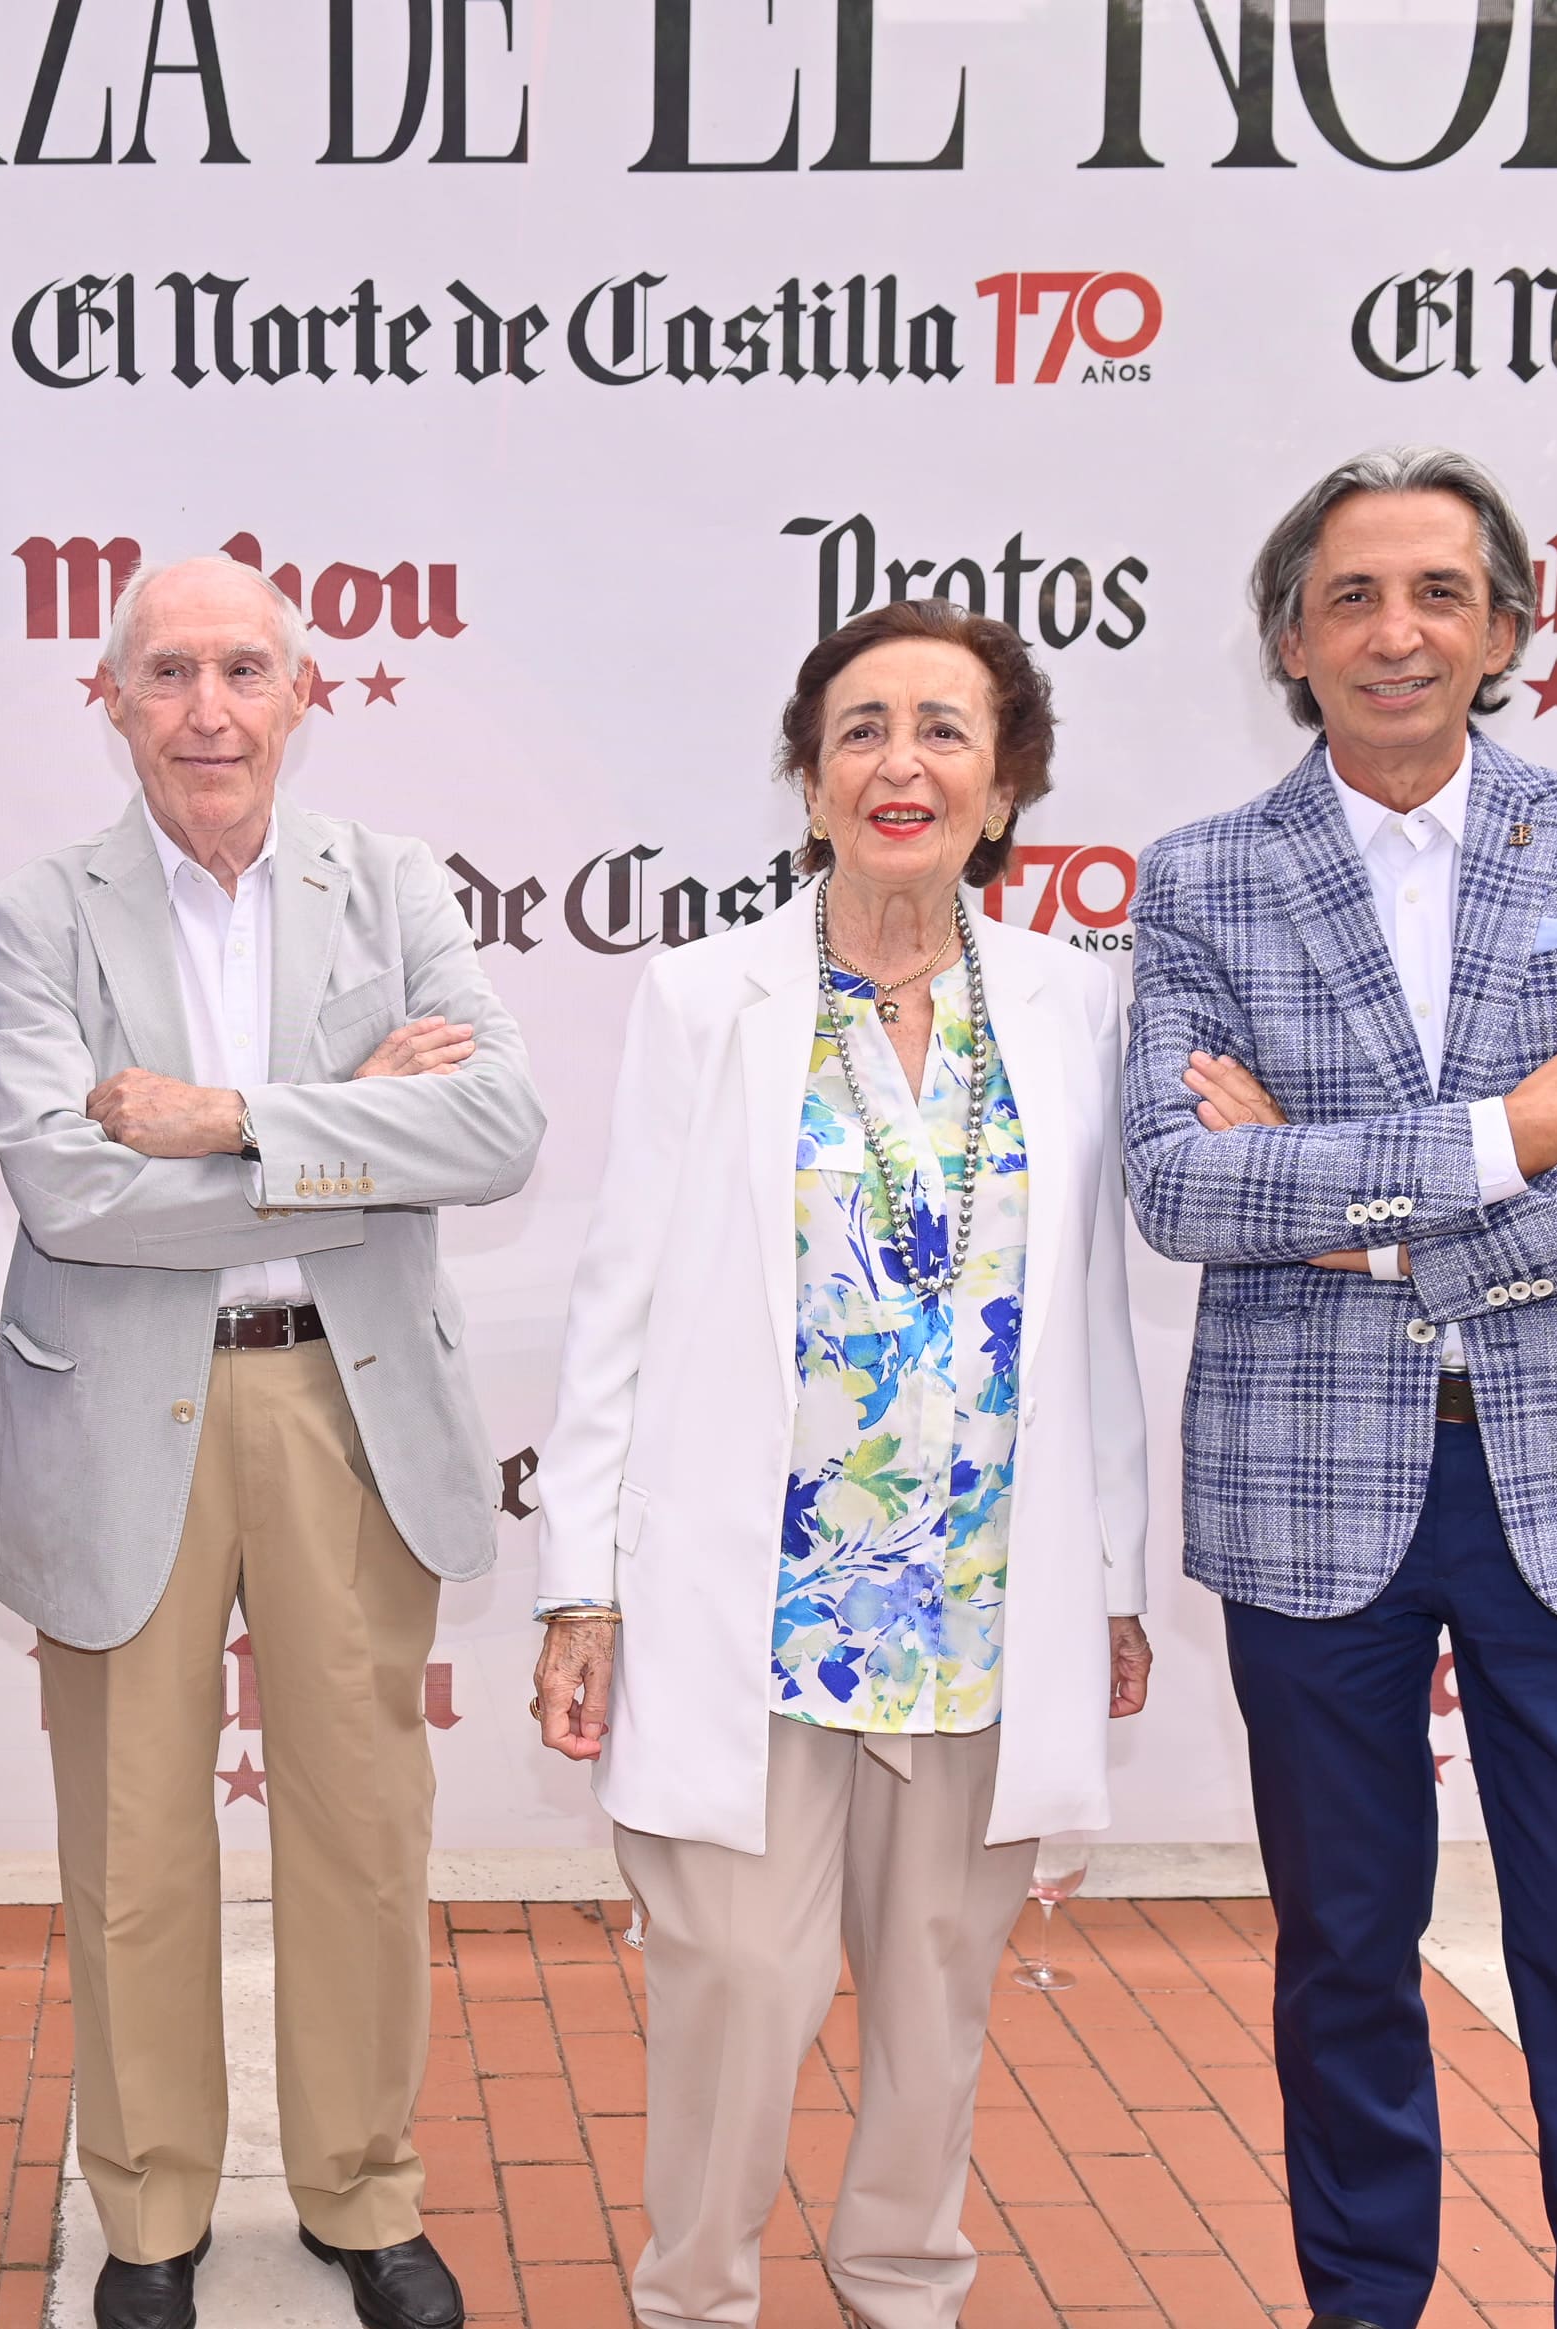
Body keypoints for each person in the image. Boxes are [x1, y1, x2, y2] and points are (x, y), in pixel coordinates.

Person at [1122, 447, 1557, 2329]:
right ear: (1290, 640)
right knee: (1341, 1963)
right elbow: (1181, 1186)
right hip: (1316, 1502)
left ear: (1502, 628)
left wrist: (1386, 1223)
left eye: (1436, 595)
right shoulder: (1205, 882)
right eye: (1350, 599)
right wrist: (1508, 1136)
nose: (1396, 633)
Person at [531, 600, 1152, 2329]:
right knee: (734, 1973)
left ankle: (901, 2289)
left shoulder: (1071, 1003)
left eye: (948, 729)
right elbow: (619, 1302)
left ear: (1007, 782)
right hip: (759, 1598)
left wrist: (1111, 1572)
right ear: (808, 780)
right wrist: (579, 1581)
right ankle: (698, 2298)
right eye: (862, 726)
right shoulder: (704, 996)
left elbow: (1093, 1310)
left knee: (942, 1993)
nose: (903, 763)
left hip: (981, 1598)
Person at [0, 553, 544, 2329]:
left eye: (243, 669)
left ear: (303, 693)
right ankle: (149, 2217)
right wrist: (353, 1131)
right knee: (132, 1842)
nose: (208, 708)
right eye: (169, 672)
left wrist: (219, 1122)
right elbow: (70, 1191)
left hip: (339, 1398)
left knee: (362, 1829)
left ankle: (362, 2190)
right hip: (121, 1400)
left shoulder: (396, 887)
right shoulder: (33, 910)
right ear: (113, 700)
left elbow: (499, 1128)